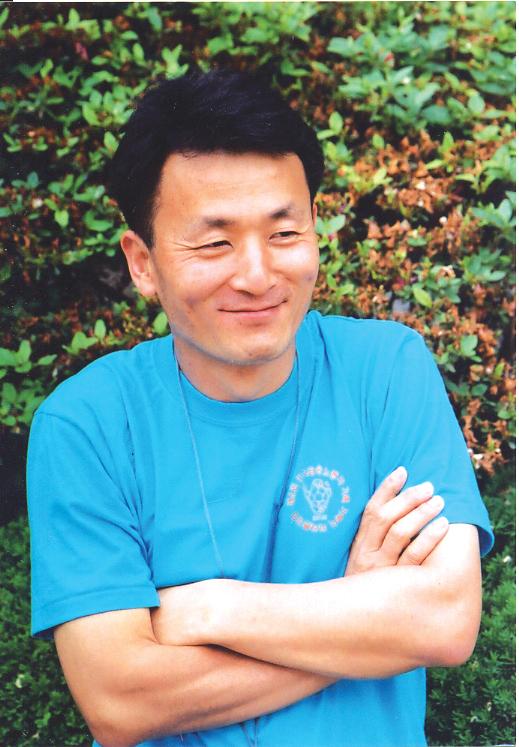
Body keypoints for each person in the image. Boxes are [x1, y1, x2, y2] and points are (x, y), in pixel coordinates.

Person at [28, 69, 493, 747]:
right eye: (214, 242)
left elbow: (445, 621)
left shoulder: (386, 368)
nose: (255, 275)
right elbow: (120, 700)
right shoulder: (87, 424)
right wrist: (359, 609)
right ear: (142, 262)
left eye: (283, 232)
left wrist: (208, 607)